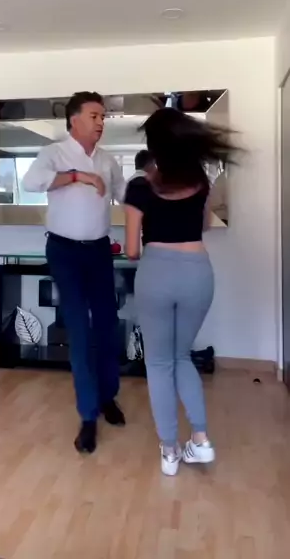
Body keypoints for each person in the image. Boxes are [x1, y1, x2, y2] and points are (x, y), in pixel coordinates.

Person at [124, 107, 239, 476]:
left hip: (156, 273)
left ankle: (170, 451)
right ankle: (201, 440)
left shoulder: (139, 187)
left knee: (159, 363)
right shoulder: (200, 182)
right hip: (197, 273)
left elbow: (132, 250)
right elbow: (203, 227)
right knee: (181, 357)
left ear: (154, 146)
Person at [22, 91, 126, 454]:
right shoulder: (53, 153)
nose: (100, 122)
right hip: (64, 252)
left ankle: (108, 396)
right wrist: (78, 176)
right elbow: (30, 183)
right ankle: (87, 415)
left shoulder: (109, 160)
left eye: (103, 117)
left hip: (99, 251)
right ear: (74, 120)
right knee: (79, 330)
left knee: (108, 325)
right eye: (94, 116)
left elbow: (126, 195)